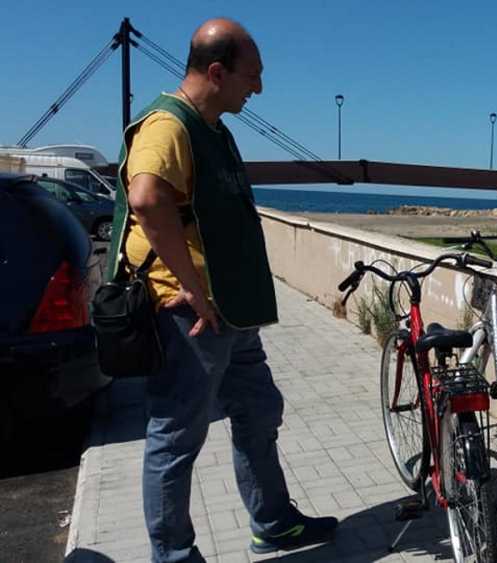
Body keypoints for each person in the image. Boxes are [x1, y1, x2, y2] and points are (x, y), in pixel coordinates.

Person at [105, 18, 338, 562]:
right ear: (216, 71)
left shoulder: (213, 127)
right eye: (250, 76)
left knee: (258, 411)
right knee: (176, 437)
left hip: (231, 312)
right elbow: (145, 200)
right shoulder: (169, 126)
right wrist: (192, 288)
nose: (256, 88)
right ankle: (175, 555)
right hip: (192, 315)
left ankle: (274, 523)